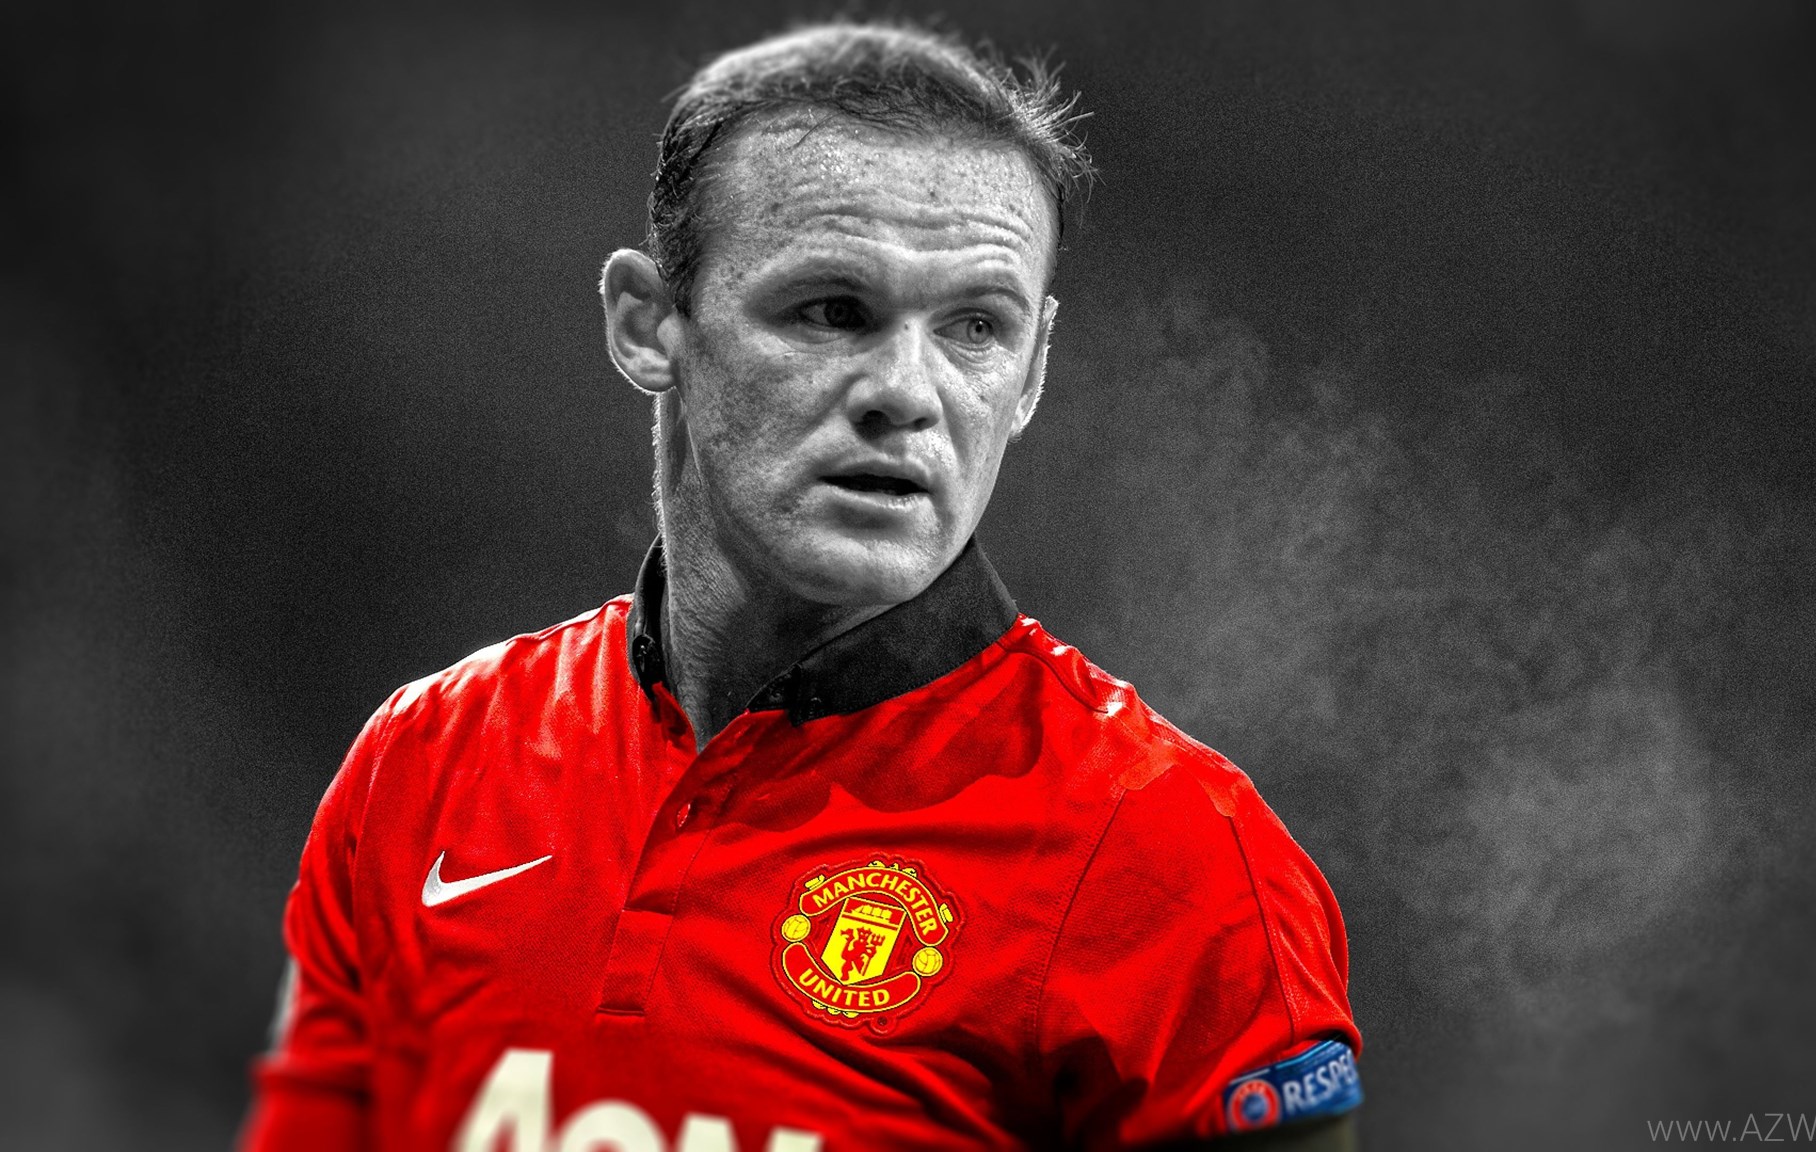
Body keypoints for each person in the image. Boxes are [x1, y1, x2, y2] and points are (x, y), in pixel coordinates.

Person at [241, 21, 1361, 1152]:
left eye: (976, 327)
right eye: (833, 311)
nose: (906, 393)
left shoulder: (1171, 860)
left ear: (1032, 372)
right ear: (647, 326)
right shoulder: (428, 763)